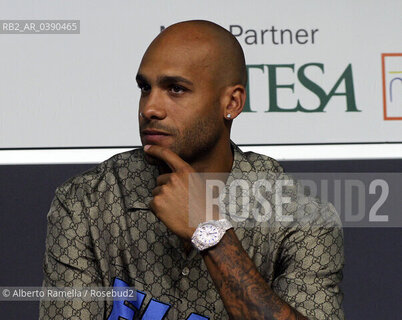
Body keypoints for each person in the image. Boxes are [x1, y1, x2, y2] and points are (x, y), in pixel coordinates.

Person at [40, 20, 344, 319]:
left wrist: (210, 232)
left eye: (175, 89)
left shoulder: (301, 218)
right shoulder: (85, 201)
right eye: (145, 88)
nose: (149, 108)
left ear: (232, 103)